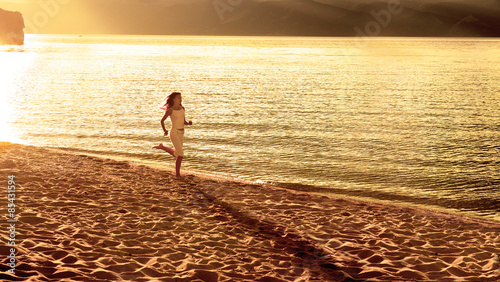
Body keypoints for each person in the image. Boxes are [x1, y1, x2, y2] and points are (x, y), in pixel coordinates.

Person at [153, 92, 193, 178]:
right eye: (178, 98)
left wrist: (188, 123)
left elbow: (183, 122)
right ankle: (177, 174)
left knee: (177, 154)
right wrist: (165, 130)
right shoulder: (170, 110)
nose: (180, 99)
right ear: (174, 99)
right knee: (181, 155)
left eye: (181, 98)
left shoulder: (182, 108)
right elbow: (162, 121)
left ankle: (162, 147)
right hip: (174, 133)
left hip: (181, 133)